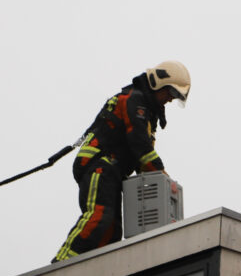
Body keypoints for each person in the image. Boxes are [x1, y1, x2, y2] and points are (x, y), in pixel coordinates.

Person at [54, 61, 190, 262]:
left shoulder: (147, 112)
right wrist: (160, 172)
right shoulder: (134, 101)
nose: (170, 99)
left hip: (114, 173)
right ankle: (61, 264)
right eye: (171, 92)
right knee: (99, 216)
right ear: (158, 83)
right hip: (99, 166)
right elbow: (140, 145)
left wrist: (156, 176)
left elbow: (142, 154)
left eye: (176, 96)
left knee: (112, 232)